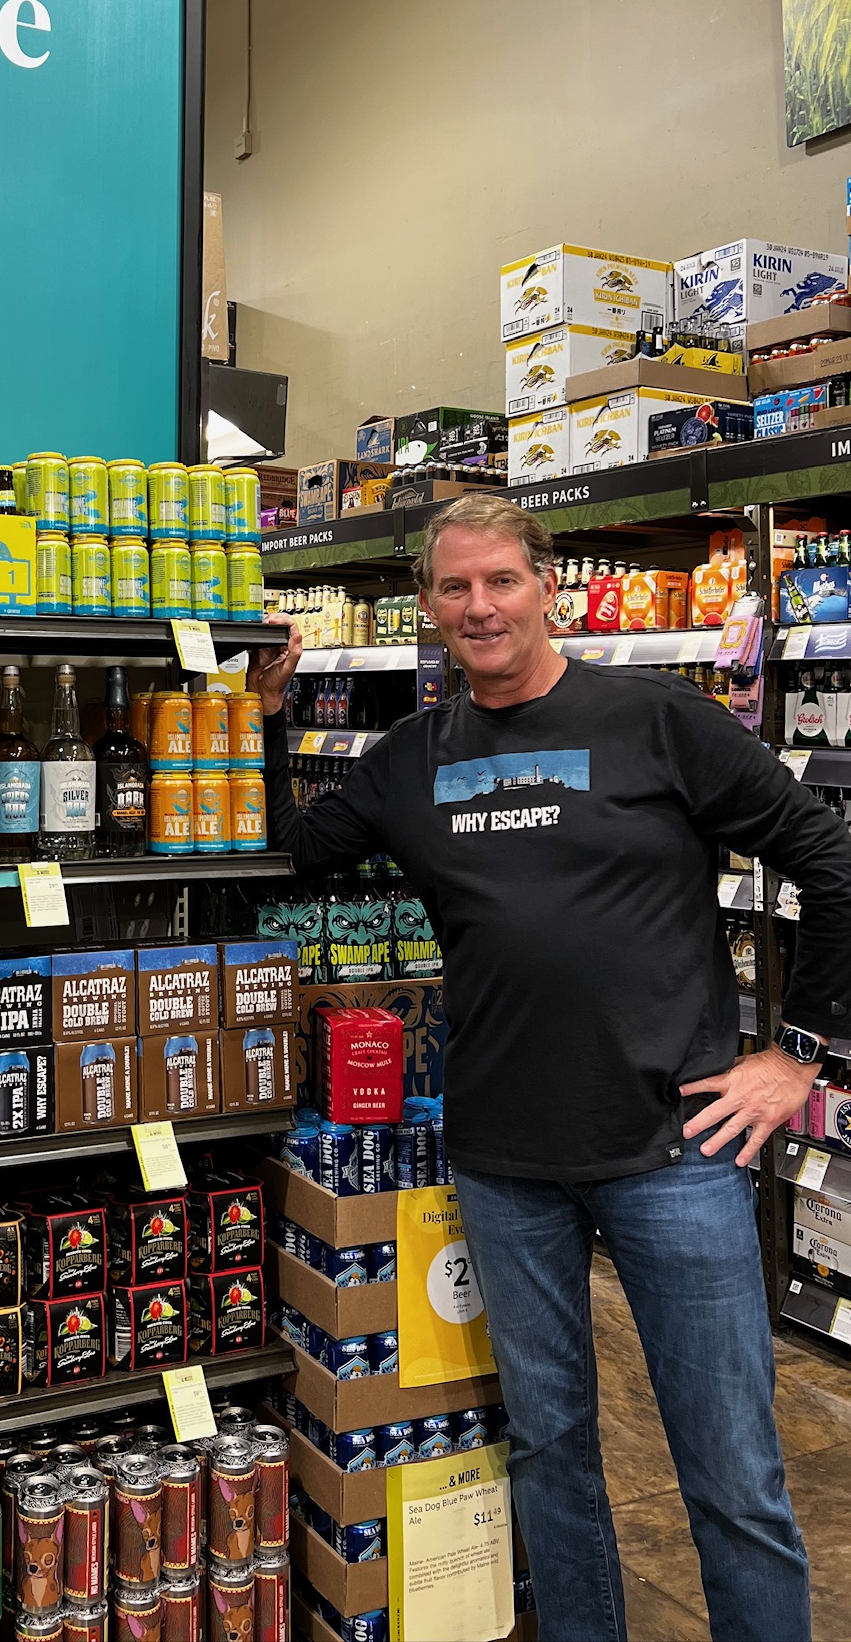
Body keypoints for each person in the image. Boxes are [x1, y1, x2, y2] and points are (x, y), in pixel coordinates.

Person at [254, 490, 851, 1642]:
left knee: (733, 1473)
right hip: (502, 1158)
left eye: (502, 580)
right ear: (429, 606)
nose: (480, 606)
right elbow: (285, 854)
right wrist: (264, 721)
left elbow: (830, 859)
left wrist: (798, 1057)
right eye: (455, 587)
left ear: (546, 583)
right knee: (549, 1451)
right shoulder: (408, 760)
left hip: (674, 1151)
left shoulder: (657, 718)